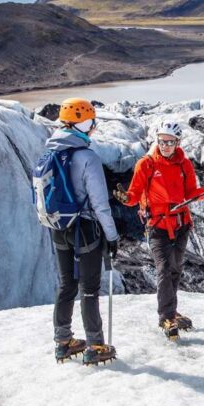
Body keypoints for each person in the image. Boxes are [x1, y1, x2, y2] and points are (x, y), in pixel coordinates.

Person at [113, 122, 204, 341]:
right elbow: (134, 195)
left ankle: (171, 310)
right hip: (157, 225)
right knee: (164, 269)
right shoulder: (146, 164)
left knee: (175, 270)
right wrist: (126, 199)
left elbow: (191, 193)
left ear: (177, 143)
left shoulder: (185, 165)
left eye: (170, 142)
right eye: (162, 141)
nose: (165, 146)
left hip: (181, 224)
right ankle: (166, 316)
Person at [48, 98, 119, 365]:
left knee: (67, 285)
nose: (93, 127)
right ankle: (95, 345)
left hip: (59, 227)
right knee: (89, 289)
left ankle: (63, 341)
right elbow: (100, 205)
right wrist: (111, 237)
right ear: (85, 123)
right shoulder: (87, 157)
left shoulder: (52, 152)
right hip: (86, 230)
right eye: (91, 122)